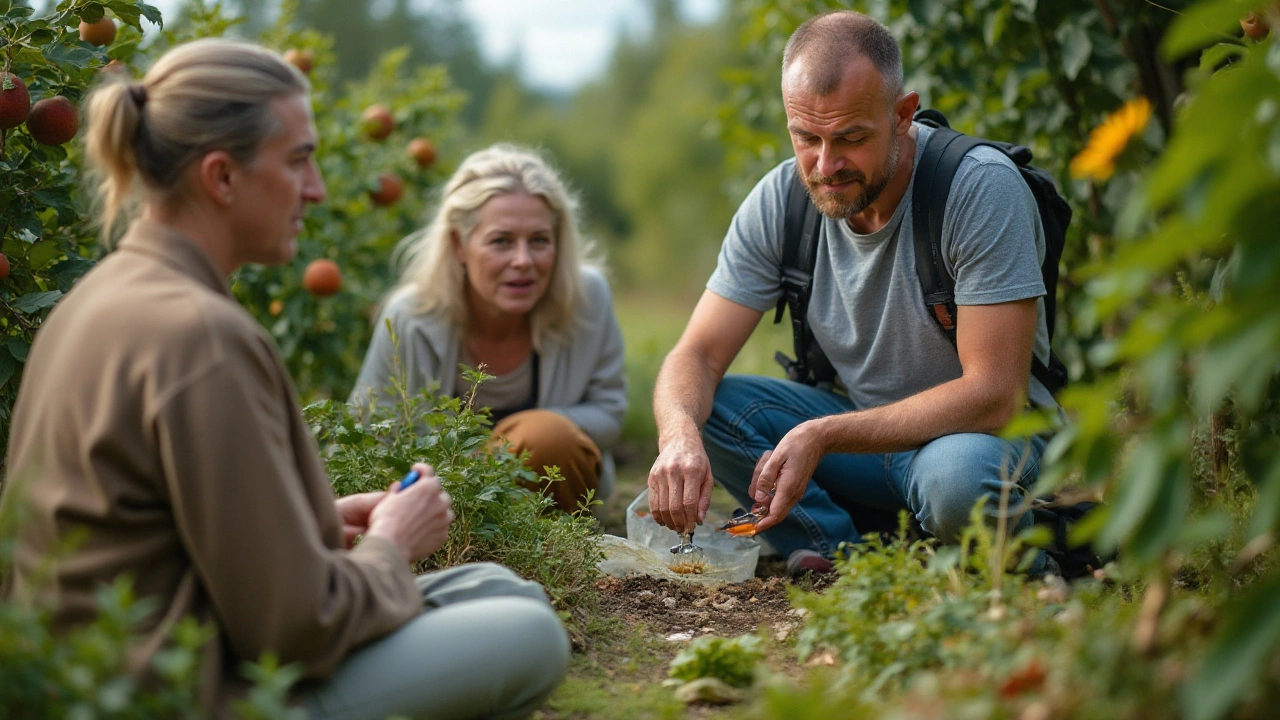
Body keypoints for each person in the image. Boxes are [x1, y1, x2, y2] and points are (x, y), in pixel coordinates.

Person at [0, 39, 568, 719]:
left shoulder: (97, 298)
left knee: (502, 592)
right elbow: (293, 631)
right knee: (531, 634)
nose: (318, 188)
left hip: (114, 662)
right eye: (299, 160)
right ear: (222, 177)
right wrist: (391, 544)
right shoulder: (201, 336)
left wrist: (309, 525)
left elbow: (150, 527)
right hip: (169, 693)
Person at [647, 10, 1061, 577]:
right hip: (863, 439)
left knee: (957, 482)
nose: (825, 165)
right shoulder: (781, 200)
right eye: (806, 138)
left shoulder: (977, 187)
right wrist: (678, 439)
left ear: (902, 114)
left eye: (851, 138)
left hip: (980, 442)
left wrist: (824, 433)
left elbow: (995, 396)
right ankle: (845, 556)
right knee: (707, 406)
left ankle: (1035, 556)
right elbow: (694, 355)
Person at [351, 144, 627, 513]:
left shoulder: (587, 297)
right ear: (458, 244)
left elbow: (609, 413)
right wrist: (484, 465)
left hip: (557, 501)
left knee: (547, 439)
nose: (523, 261)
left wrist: (518, 441)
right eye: (501, 241)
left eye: (540, 240)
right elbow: (369, 434)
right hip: (444, 508)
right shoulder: (409, 319)